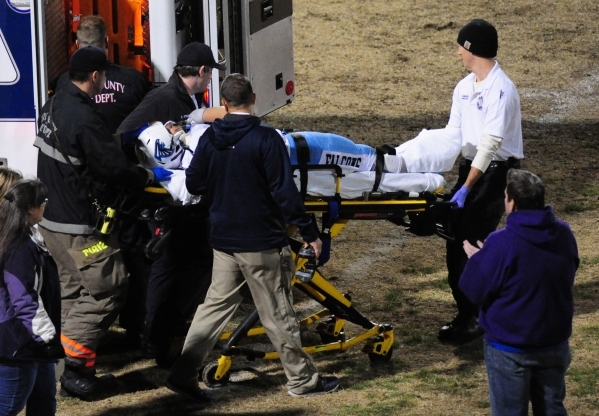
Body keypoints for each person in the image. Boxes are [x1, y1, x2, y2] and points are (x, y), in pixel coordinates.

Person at [166, 73, 340, 402]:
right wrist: (310, 233)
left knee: (212, 309)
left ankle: (182, 372)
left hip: (223, 242)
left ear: (223, 105)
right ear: (254, 99)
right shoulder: (267, 139)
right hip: (260, 242)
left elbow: (192, 185)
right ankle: (302, 380)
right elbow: (284, 193)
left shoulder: (209, 139)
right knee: (277, 313)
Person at [34, 46, 170, 399]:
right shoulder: (84, 117)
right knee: (109, 284)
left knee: (72, 289)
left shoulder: (53, 105)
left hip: (51, 221)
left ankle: (63, 363)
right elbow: (110, 167)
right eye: (104, 75)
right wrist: (145, 177)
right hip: (79, 228)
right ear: (95, 76)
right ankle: (75, 367)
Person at [117, 42, 226, 363]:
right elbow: (123, 136)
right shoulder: (163, 99)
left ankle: (170, 330)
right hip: (166, 205)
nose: (210, 82)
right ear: (202, 72)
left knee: (196, 264)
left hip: (186, 202)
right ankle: (155, 338)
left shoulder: (187, 96)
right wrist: (151, 174)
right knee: (166, 270)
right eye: (209, 75)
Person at [56, 14, 152, 347]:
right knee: (127, 263)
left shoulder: (61, 94)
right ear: (108, 45)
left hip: (81, 201)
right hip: (118, 191)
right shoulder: (134, 80)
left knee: (79, 272)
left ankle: (72, 342)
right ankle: (132, 326)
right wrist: (142, 176)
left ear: (76, 46)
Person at [459, 169, 578, 415]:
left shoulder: (501, 242)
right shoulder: (564, 234)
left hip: (510, 349)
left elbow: (473, 290)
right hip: (554, 343)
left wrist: (480, 261)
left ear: (511, 202)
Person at [437, 18, 523, 344]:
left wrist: (466, 188)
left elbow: (490, 145)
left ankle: (475, 316)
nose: (458, 52)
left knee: (470, 241)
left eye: (461, 46)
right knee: (456, 242)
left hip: (494, 172)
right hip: (470, 170)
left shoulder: (501, 90)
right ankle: (468, 311)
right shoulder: (463, 88)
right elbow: (453, 136)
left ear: (472, 49)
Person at [0, 179, 64, 416]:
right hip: (19, 343)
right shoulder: (18, 246)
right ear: (29, 207)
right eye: (43, 202)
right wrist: (47, 337)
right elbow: (24, 299)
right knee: (8, 406)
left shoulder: (27, 237)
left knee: (44, 400)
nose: (45, 206)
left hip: (32, 342)